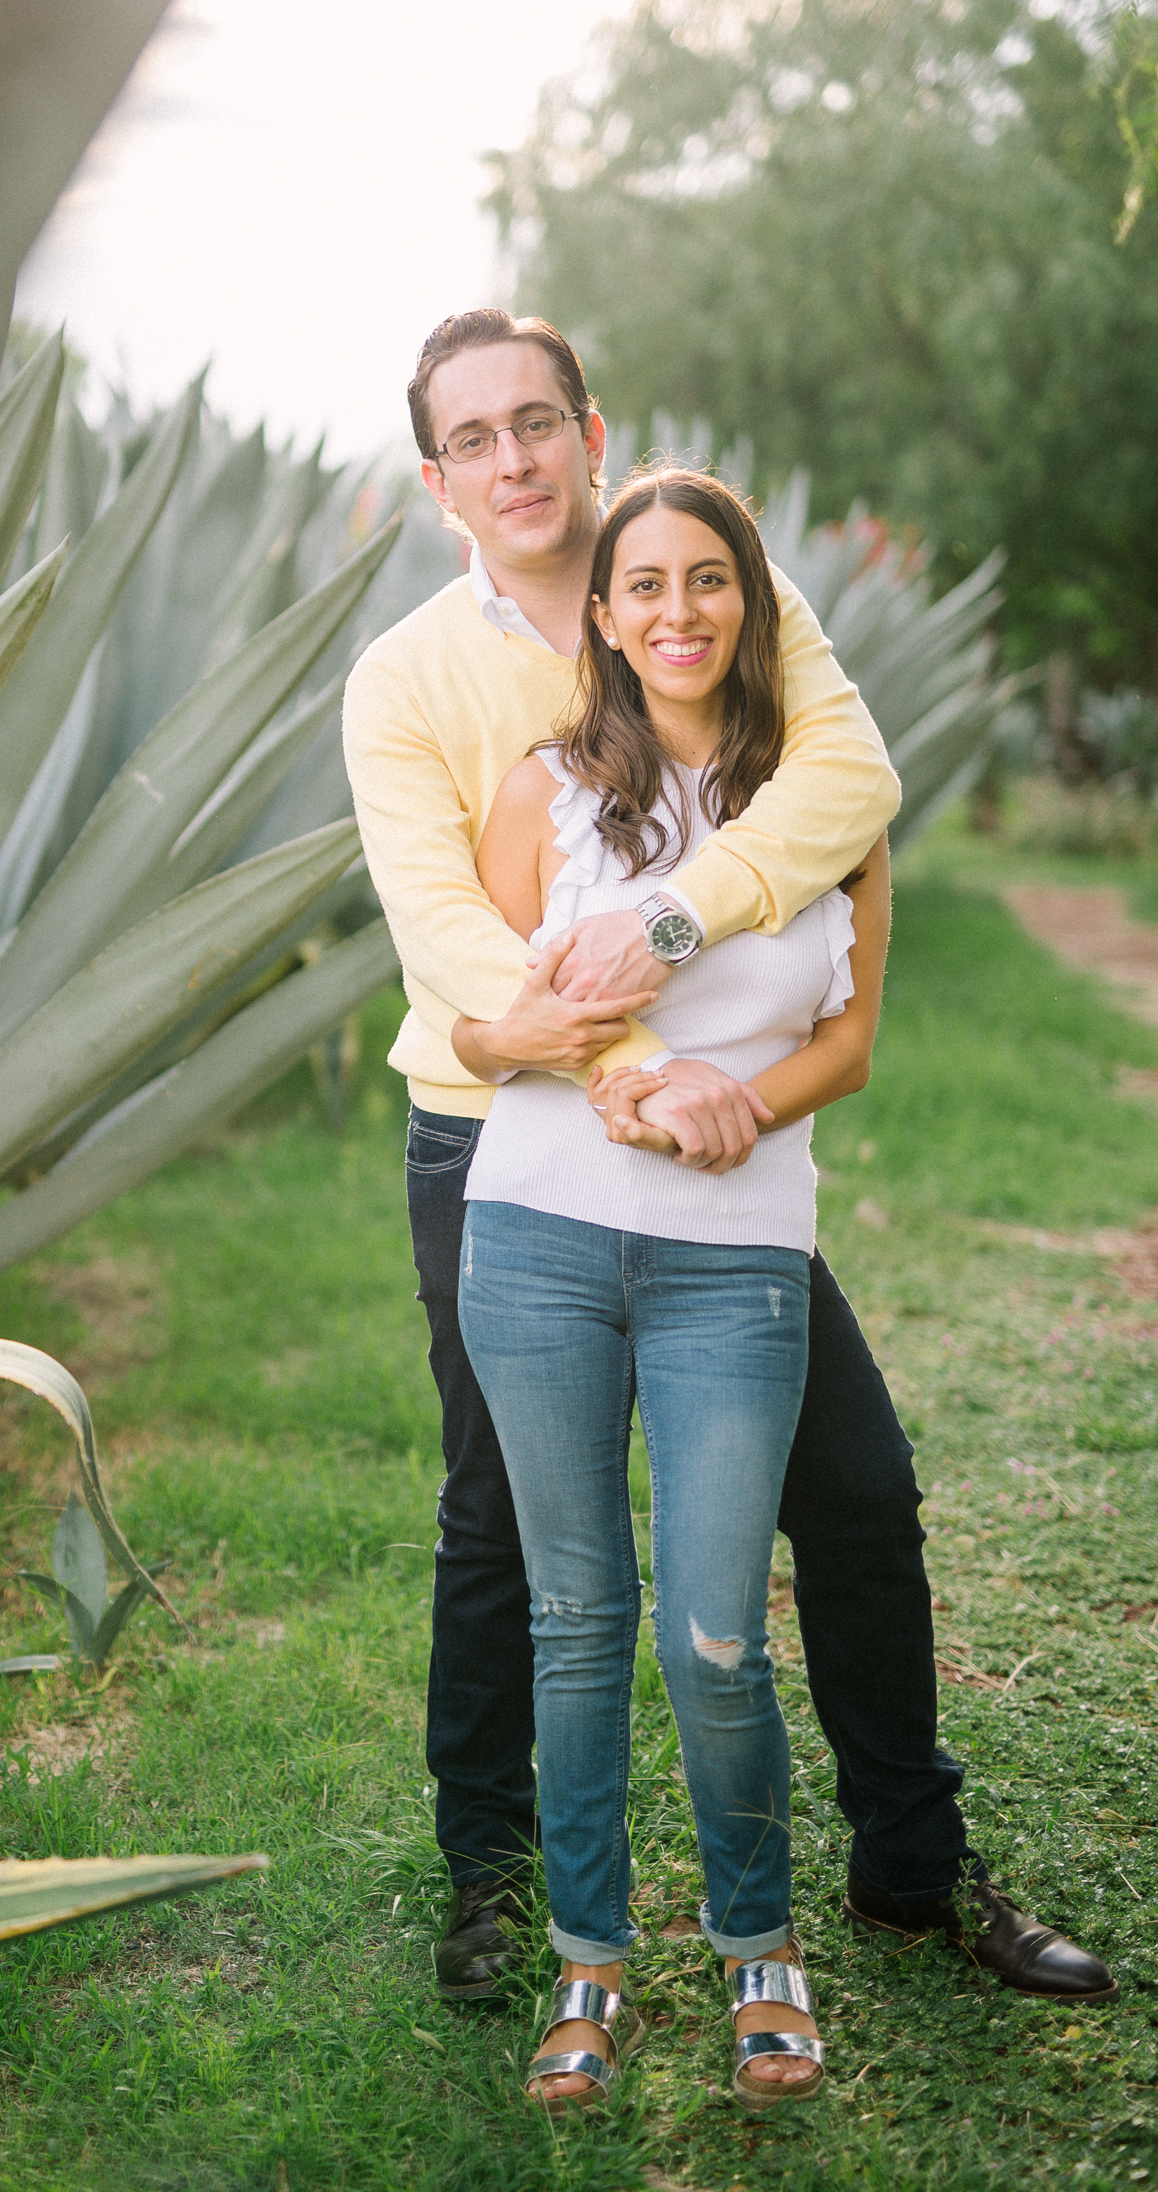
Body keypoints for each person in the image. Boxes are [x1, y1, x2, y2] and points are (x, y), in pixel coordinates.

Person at [340, 308, 1115, 2016]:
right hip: (502, 1150)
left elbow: (849, 780)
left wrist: (693, 995)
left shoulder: (717, 588)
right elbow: (456, 945)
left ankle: (912, 1865)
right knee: (502, 1523)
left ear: (589, 428)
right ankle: (493, 1875)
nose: (514, 459)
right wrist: (635, 1073)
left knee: (852, 1489)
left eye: (535, 419)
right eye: (473, 439)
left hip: (717, 1160)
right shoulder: (406, 678)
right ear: (437, 479)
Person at [453, 464, 882, 2109]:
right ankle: (586, 1963)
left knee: (713, 1635)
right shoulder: (541, 793)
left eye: (709, 581)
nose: (678, 613)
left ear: (753, 602)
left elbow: (845, 1041)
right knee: (574, 1618)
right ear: (605, 615)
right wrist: (640, 1084)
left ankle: (756, 1945)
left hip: (737, 1259)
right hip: (541, 1236)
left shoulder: (827, 801)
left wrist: (729, 1103)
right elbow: (504, 1010)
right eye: (643, 585)